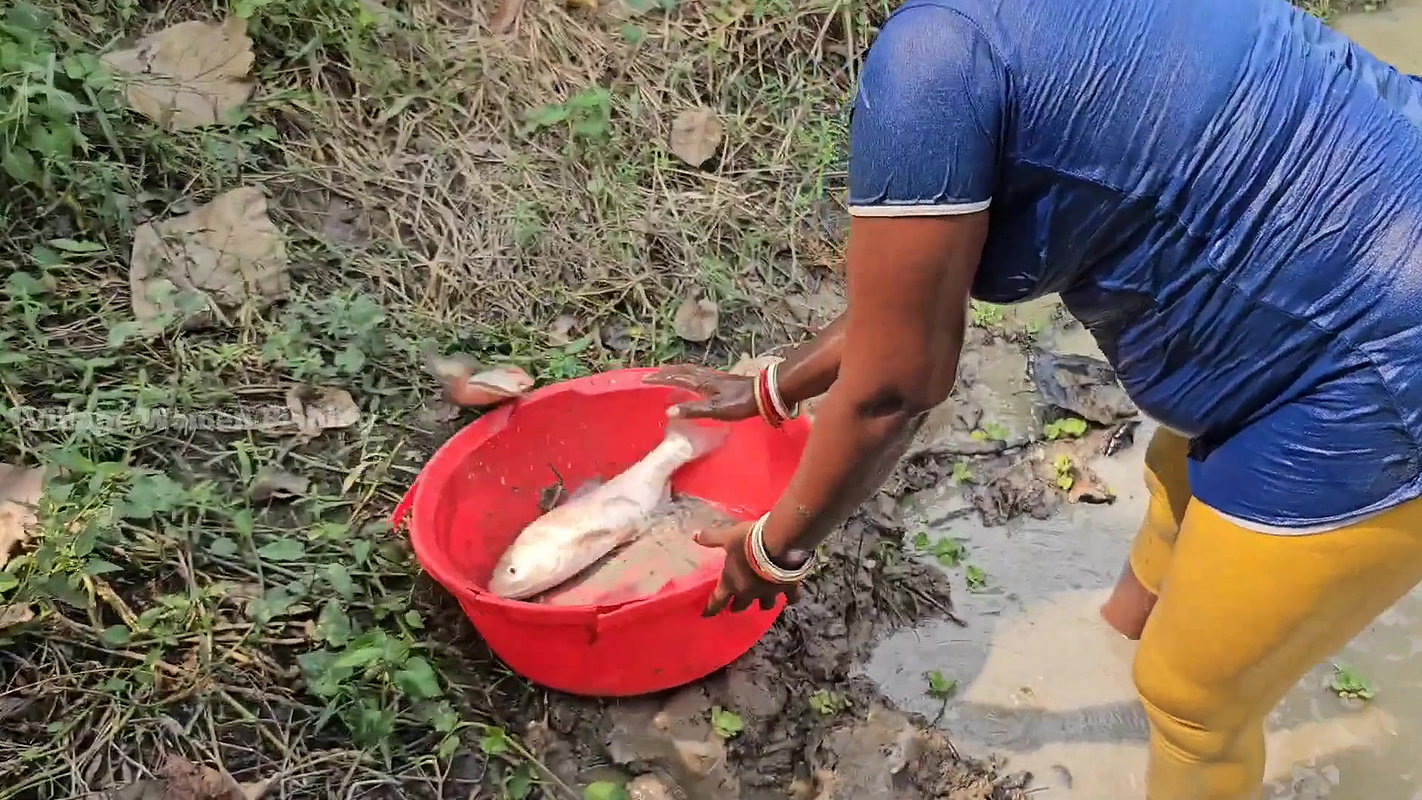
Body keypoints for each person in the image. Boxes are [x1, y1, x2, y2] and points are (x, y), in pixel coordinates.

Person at [645, 0, 1422, 797]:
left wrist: (774, 548)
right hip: (1373, 222)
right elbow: (914, 291)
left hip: (1385, 366)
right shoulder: (1006, 36)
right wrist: (777, 385)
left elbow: (892, 389)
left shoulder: (933, 62)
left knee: (1192, 703)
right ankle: (1114, 640)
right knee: (1176, 477)